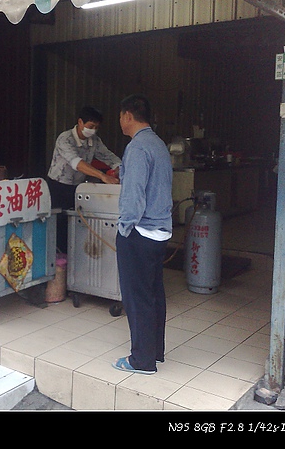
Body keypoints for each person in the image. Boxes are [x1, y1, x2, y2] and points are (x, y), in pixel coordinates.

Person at [113, 95, 172, 375]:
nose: (120, 121)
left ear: (128, 115)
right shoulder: (158, 144)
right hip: (159, 231)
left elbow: (134, 194)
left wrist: (125, 227)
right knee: (153, 295)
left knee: (137, 298)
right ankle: (155, 351)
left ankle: (142, 360)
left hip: (140, 232)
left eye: (120, 115)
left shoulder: (137, 148)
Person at [47, 106, 121, 252]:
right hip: (58, 187)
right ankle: (59, 259)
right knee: (59, 224)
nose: (93, 130)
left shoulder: (94, 141)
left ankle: (73, 255)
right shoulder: (65, 139)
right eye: (90, 126)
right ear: (80, 122)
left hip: (77, 188)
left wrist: (119, 168)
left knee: (76, 223)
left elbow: (108, 156)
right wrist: (102, 176)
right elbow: (77, 163)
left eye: (96, 127)